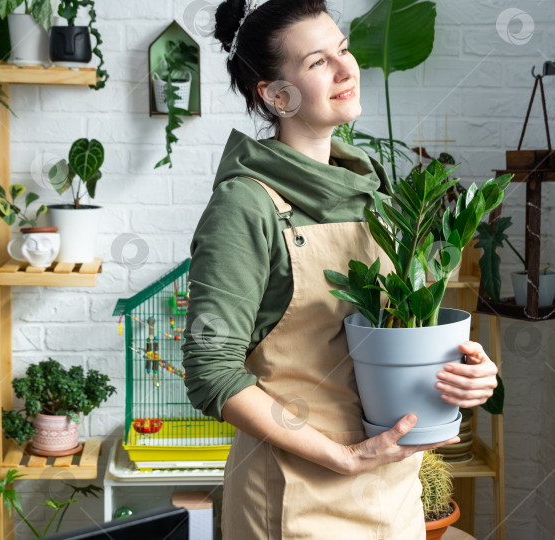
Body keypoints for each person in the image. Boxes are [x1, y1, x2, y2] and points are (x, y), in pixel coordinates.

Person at [181, 0, 499, 537]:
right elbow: (210, 372)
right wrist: (342, 457)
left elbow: (399, 335)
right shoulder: (247, 205)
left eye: (344, 50)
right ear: (276, 95)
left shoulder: (374, 197)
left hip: (392, 491)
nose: (347, 69)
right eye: (317, 62)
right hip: (294, 497)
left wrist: (468, 372)